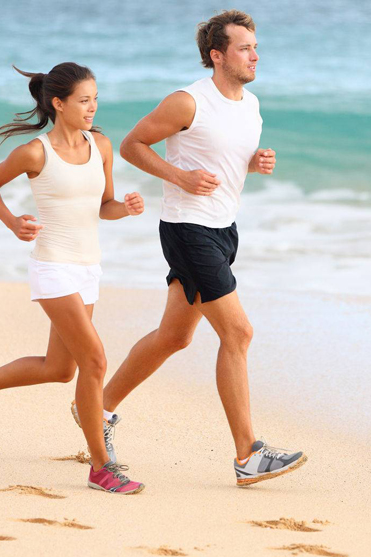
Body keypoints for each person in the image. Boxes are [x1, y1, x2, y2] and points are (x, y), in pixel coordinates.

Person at [71, 10, 306, 486]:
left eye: (255, 47)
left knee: (174, 336)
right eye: (244, 47)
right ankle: (248, 455)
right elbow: (135, 145)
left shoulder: (251, 105)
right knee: (238, 334)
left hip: (223, 229)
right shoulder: (187, 102)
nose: (254, 55)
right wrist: (179, 177)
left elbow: (225, 159)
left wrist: (255, 163)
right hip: (188, 228)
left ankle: (96, 409)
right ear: (217, 56)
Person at [0, 62, 146, 495]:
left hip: (88, 267)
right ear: (58, 103)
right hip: (53, 266)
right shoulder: (36, 152)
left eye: (95, 98)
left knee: (60, 369)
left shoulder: (102, 146)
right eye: (84, 100)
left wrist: (126, 208)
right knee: (95, 361)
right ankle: (101, 467)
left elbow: (104, 205)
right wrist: (12, 222)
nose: (92, 108)